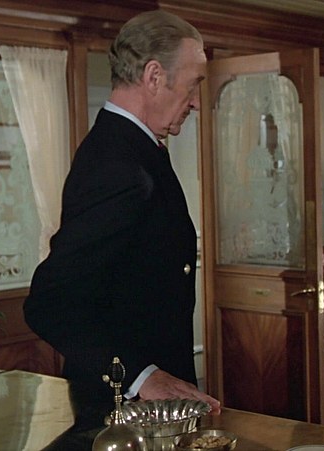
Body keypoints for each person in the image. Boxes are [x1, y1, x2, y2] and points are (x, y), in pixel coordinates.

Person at [23, 9, 220, 435]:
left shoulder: (136, 149)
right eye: (193, 84)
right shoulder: (118, 162)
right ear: (154, 76)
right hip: (120, 416)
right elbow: (50, 302)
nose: (195, 101)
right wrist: (141, 377)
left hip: (152, 412)